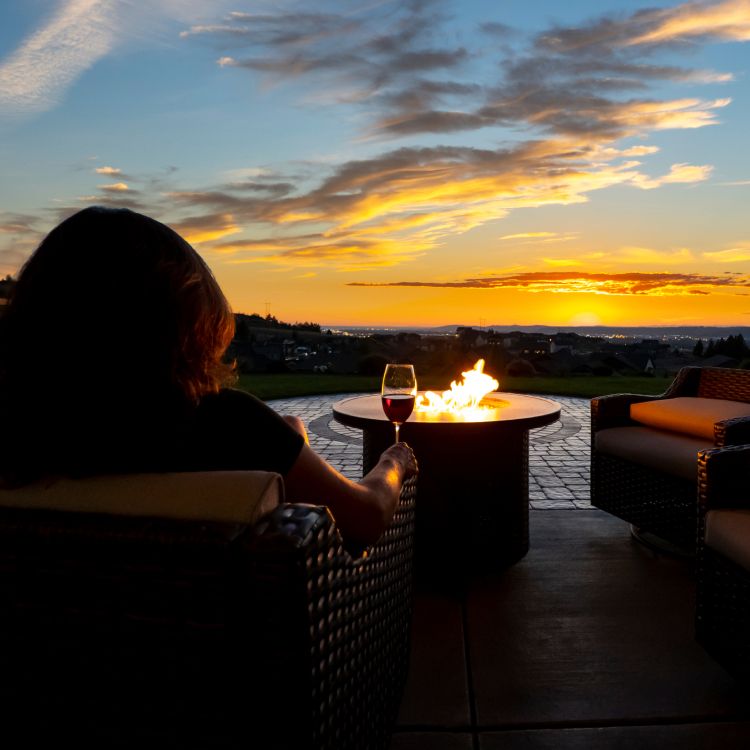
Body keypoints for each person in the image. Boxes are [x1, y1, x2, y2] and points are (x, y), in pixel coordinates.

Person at [0, 206, 416, 546]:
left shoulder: (23, 431)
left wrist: (285, 443)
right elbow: (365, 518)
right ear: (176, 325)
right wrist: (392, 463)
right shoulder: (223, 426)